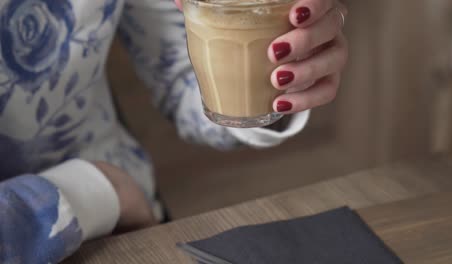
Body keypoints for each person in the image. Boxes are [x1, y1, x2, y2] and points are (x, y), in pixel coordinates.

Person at [0, 0, 348, 262]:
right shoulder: (104, 193)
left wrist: (285, 74)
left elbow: (180, 72)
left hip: (125, 230)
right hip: (109, 199)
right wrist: (91, 191)